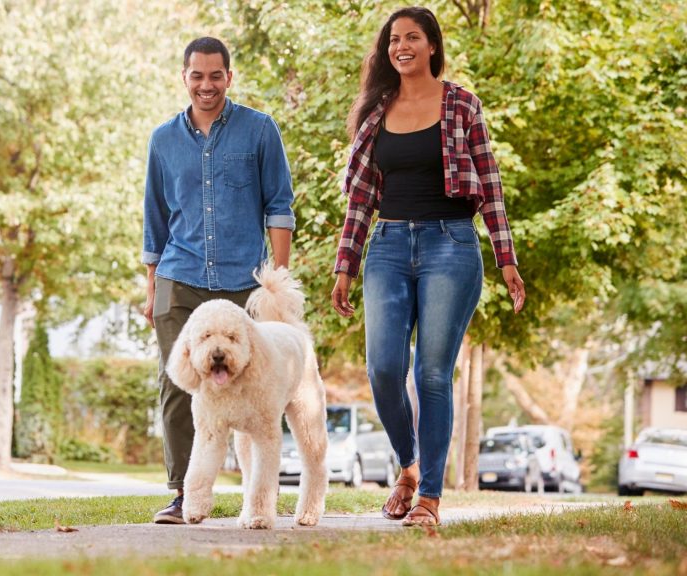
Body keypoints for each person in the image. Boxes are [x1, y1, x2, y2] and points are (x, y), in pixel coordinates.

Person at [330, 6, 526, 527]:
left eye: (413, 37)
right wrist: (345, 263)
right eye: (394, 39)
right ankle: (409, 466)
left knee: (432, 374)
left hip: (451, 246)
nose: (402, 46)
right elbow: (360, 199)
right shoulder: (377, 111)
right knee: (383, 369)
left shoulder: (462, 104)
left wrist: (506, 260)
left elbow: (491, 186)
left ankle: (430, 500)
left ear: (432, 45)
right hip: (388, 246)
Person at [142, 36, 295, 524]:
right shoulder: (163, 140)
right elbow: (154, 219)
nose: (205, 85)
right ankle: (183, 493)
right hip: (176, 276)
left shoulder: (259, 130)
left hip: (242, 282)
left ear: (229, 77)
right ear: (183, 77)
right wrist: (151, 290)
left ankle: (258, 492)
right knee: (177, 384)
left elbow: (279, 207)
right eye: (196, 75)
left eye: (214, 75)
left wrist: (277, 278)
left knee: (254, 385)